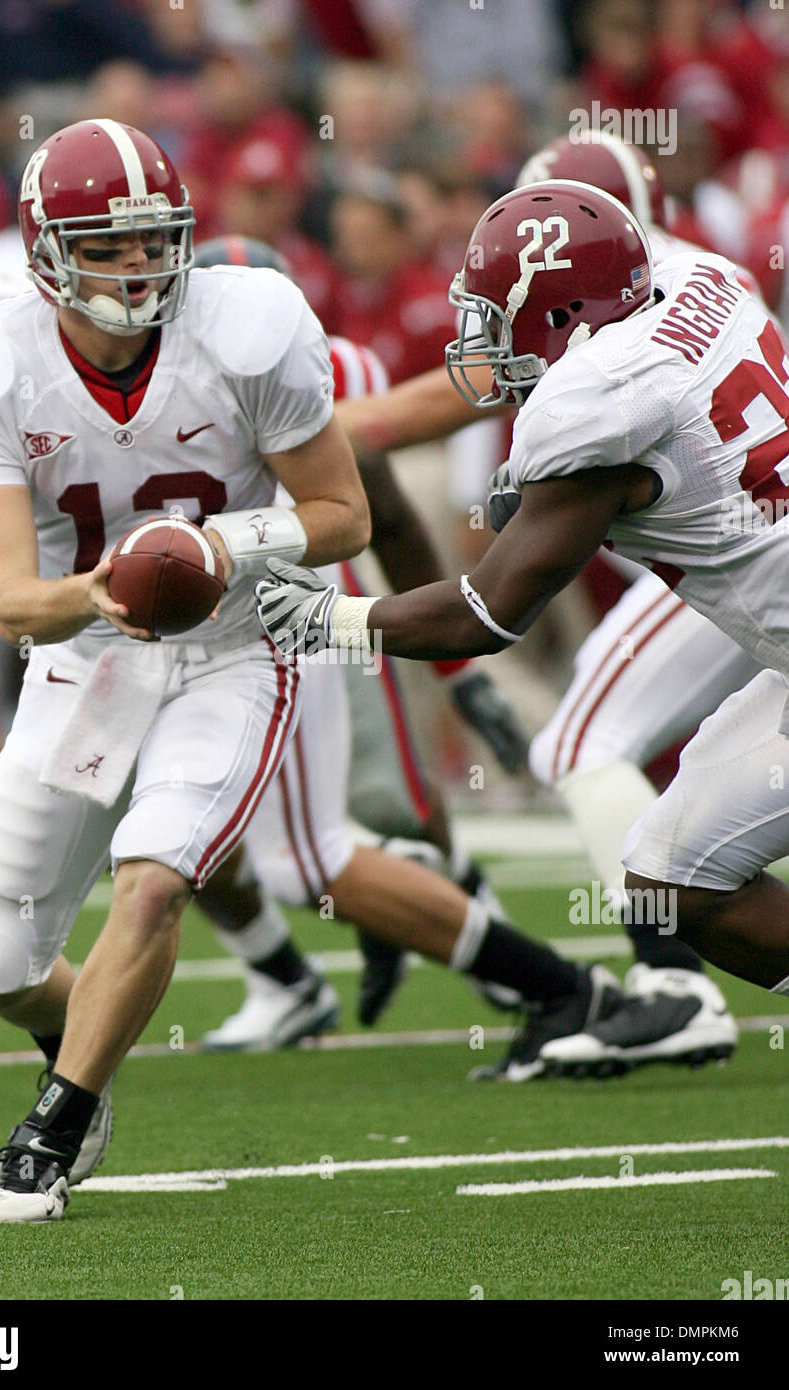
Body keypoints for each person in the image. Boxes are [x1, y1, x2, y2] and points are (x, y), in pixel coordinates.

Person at [0, 117, 371, 1226]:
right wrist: (117, 584)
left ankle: (55, 1124)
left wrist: (221, 549)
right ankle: (78, 1037)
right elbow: (11, 597)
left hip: (234, 641)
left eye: (152, 240)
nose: (137, 265)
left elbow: (340, 511)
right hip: (88, 649)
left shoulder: (249, 325)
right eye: (106, 245)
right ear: (45, 251)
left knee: (158, 871)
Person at [256, 176, 789, 1035]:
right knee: (669, 879)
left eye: (497, 312)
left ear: (560, 310)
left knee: (672, 871)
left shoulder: (595, 404)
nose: (485, 336)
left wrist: (328, 623)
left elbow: (486, 613)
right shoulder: (701, 282)